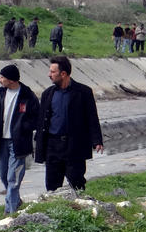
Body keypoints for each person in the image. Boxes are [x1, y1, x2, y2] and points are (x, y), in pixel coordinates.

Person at [35, 56, 103, 193]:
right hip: (53, 146)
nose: (49, 75)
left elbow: (92, 118)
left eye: (53, 72)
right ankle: (54, 212)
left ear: (63, 74)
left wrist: (97, 140)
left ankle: (79, 208)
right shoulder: (47, 94)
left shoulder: (83, 92)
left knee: (76, 182)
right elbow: (41, 121)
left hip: (74, 145)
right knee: (52, 186)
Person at [0, 64, 40, 215]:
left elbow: (37, 119)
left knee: (14, 177)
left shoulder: (28, 96)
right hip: (0, 142)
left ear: (11, 80)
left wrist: (24, 127)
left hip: (19, 143)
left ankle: (10, 212)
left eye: (2, 77)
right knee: (4, 175)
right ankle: (16, 200)